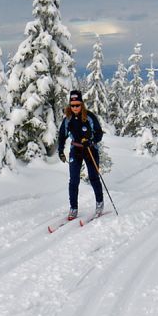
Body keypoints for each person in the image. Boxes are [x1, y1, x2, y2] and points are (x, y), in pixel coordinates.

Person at [57, 89, 104, 220]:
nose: (75, 108)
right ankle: (73, 208)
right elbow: (62, 136)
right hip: (76, 150)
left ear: (81, 104)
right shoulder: (68, 119)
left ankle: (99, 203)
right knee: (73, 180)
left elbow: (99, 133)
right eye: (72, 105)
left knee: (94, 177)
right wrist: (60, 151)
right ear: (69, 106)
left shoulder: (89, 116)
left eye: (77, 105)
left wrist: (91, 141)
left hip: (90, 150)